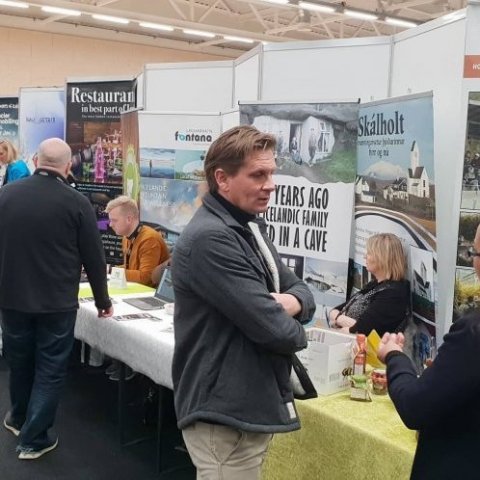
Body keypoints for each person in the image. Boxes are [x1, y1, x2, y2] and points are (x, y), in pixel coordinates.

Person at [172, 125, 316, 479]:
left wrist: (292, 303)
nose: (271, 184)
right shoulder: (212, 238)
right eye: (258, 175)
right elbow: (278, 331)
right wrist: (295, 324)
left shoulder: (245, 227)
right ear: (222, 179)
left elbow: (301, 290)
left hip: (240, 406)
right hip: (225, 416)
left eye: (271, 173)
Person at [0, 138, 113, 460]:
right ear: (67, 167)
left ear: (36, 161)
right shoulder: (77, 202)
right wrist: (103, 301)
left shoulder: (5, 195)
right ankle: (34, 439)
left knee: (20, 362)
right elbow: (94, 258)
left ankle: (18, 418)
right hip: (56, 303)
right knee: (50, 368)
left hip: (11, 298)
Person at [377, 225, 480, 480]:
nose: (473, 262)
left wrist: (394, 356)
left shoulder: (473, 332)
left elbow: (414, 406)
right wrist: (446, 372)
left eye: (474, 254)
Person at [329, 233, 410, 336]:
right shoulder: (375, 284)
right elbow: (335, 311)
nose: (365, 256)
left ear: (382, 258)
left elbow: (361, 330)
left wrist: (340, 320)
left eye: (369, 253)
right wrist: (340, 318)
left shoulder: (392, 294)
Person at [105, 195, 169, 287]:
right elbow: (130, 268)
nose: (110, 224)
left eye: (114, 220)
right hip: (137, 289)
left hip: (150, 292)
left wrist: (111, 271)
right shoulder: (127, 236)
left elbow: (145, 278)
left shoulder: (149, 239)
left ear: (129, 219)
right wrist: (108, 269)